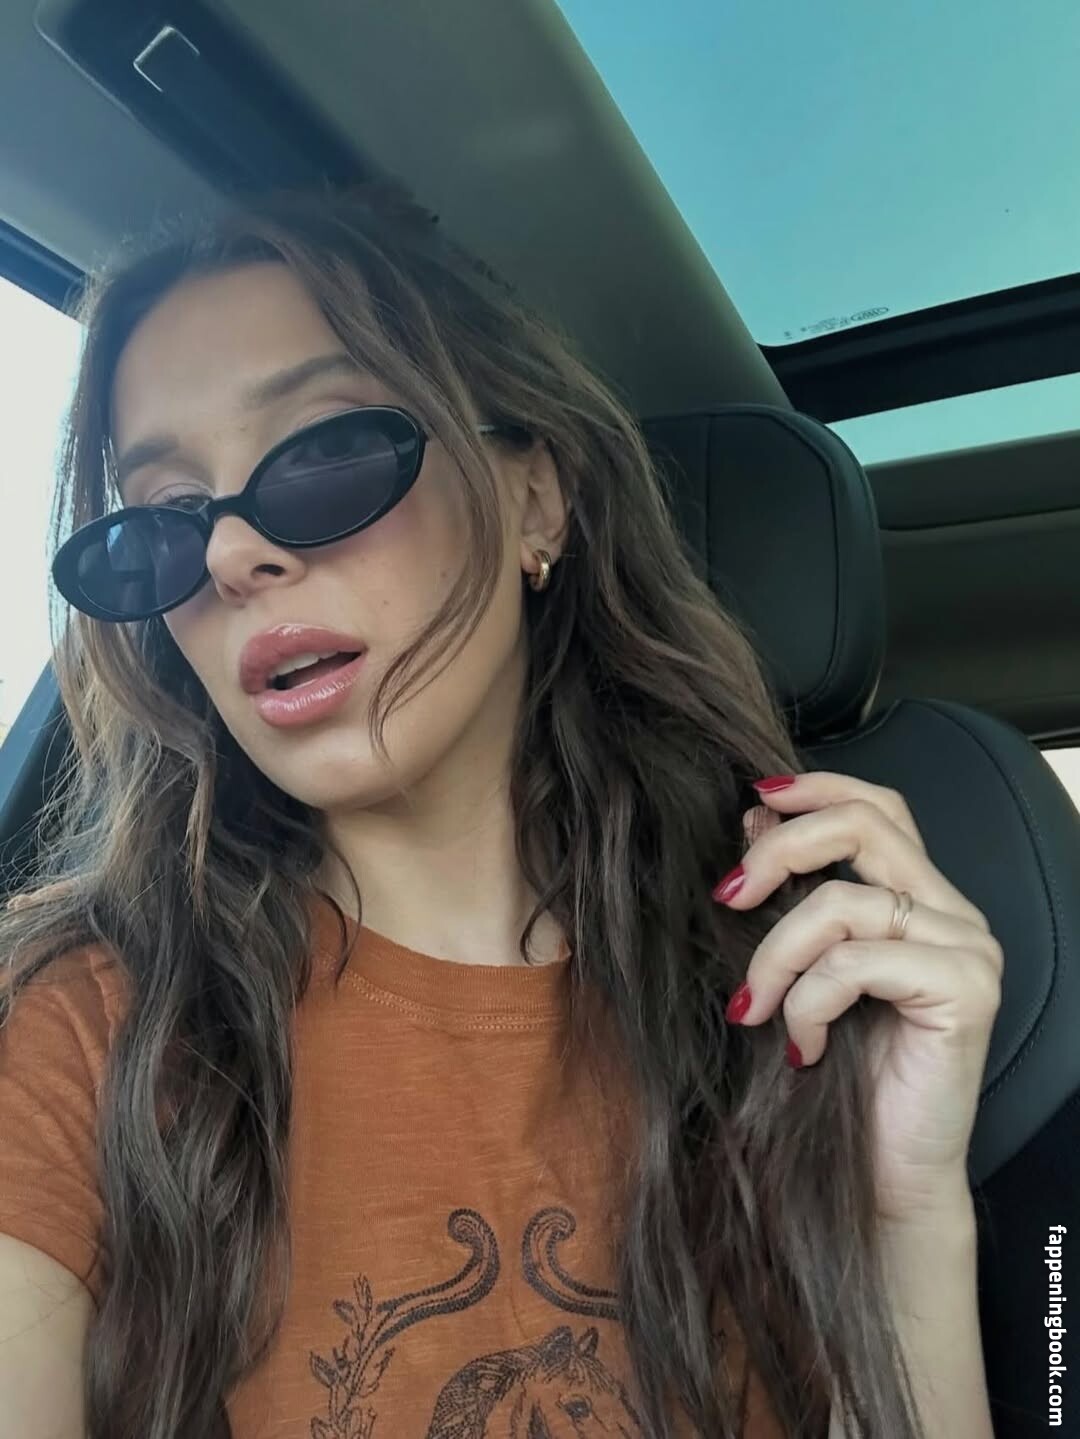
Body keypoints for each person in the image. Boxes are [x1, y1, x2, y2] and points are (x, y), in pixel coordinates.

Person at [0, 182, 1001, 1439]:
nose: (228, 557)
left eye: (324, 454)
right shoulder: (88, 1026)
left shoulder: (785, 981)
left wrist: (905, 1207)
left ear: (534, 499)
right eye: (161, 520)